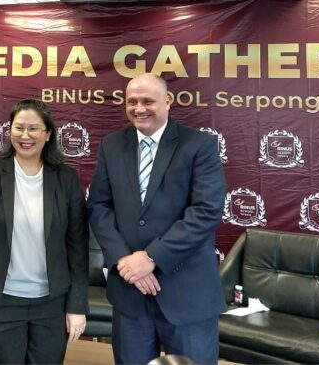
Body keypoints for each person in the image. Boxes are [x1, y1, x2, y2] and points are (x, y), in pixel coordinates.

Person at [88, 73, 226, 364]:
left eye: (147, 101)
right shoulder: (111, 145)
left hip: (186, 295)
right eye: (132, 102)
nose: (139, 109)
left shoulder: (199, 145)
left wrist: (151, 257)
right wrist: (125, 261)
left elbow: (206, 211)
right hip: (130, 294)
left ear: (167, 101)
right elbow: (99, 207)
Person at [0, 99, 89, 364]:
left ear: (48, 134)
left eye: (33, 128)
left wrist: (77, 306)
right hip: (0, 302)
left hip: (52, 303)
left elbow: (77, 247)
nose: (25, 136)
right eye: (18, 128)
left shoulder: (66, 179)